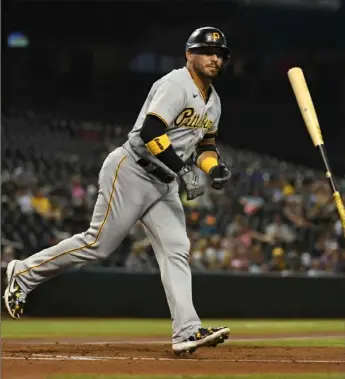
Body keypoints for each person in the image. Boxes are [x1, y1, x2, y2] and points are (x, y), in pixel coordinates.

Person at [4, 26, 231, 355]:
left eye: (220, 54)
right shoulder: (176, 84)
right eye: (207, 51)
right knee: (98, 244)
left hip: (163, 183)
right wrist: (184, 170)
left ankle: (187, 331)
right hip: (132, 169)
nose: (214, 58)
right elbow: (152, 132)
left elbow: (206, 146)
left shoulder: (214, 103)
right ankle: (24, 271)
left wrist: (215, 169)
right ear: (189, 54)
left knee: (177, 248)